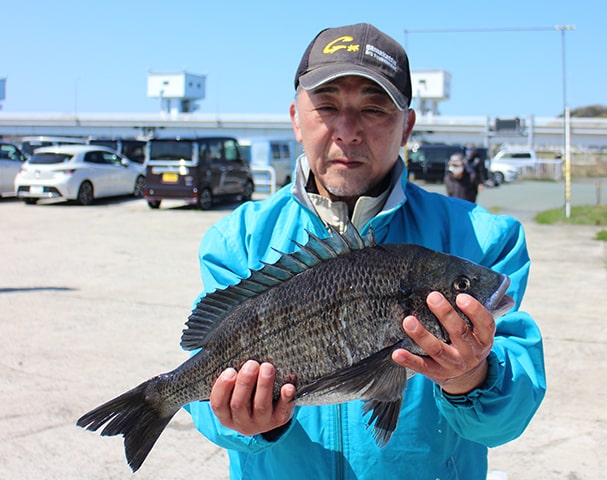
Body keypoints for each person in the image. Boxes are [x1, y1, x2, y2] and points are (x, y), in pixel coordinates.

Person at [185, 22, 546, 480]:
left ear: (407, 126)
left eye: (374, 109)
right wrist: (245, 423)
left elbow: (511, 411)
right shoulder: (235, 240)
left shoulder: (484, 240)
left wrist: (470, 378)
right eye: (327, 107)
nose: (348, 131)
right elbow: (205, 375)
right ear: (296, 117)